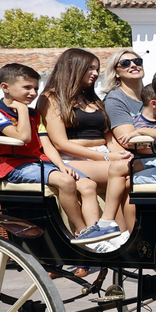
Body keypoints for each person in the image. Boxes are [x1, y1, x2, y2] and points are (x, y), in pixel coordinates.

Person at [0, 64, 114, 253]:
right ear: (5, 87)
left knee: (88, 185)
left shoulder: (35, 114)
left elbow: (47, 145)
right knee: (66, 181)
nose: (33, 93)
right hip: (13, 165)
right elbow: (23, 137)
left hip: (41, 162)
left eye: (35, 88)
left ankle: (97, 233)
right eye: (27, 87)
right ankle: (82, 231)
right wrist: (21, 110)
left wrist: (61, 165)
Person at [36, 49, 135, 248]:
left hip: (102, 155)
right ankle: (115, 229)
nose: (95, 73)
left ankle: (124, 234)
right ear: (72, 68)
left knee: (131, 176)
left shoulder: (92, 99)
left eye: (96, 68)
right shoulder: (51, 98)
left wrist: (118, 153)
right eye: (90, 68)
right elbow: (60, 143)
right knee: (127, 171)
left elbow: (108, 136)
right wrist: (107, 158)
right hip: (71, 158)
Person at [101, 50, 156, 185]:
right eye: (125, 63)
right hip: (142, 158)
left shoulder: (152, 93)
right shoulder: (115, 100)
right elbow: (129, 140)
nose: (133, 65)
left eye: (137, 61)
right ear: (116, 73)